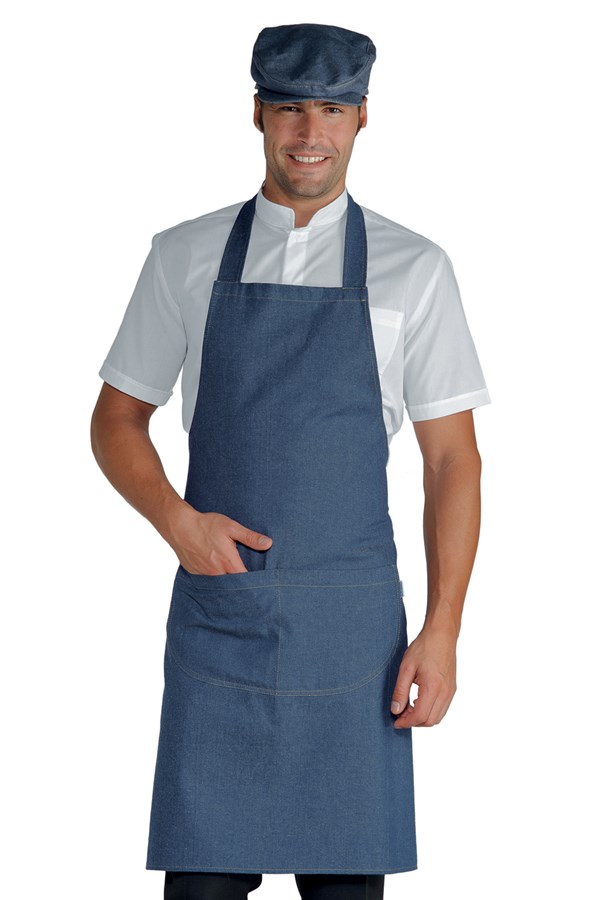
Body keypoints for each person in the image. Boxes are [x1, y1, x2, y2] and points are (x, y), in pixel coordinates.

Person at [91, 22, 491, 900]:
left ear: (363, 118)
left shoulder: (415, 269)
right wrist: (176, 523)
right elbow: (117, 418)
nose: (311, 133)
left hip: (353, 636)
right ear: (258, 114)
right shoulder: (184, 254)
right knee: (200, 888)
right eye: (291, 109)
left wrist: (443, 630)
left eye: (333, 111)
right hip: (221, 620)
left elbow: (452, 464)